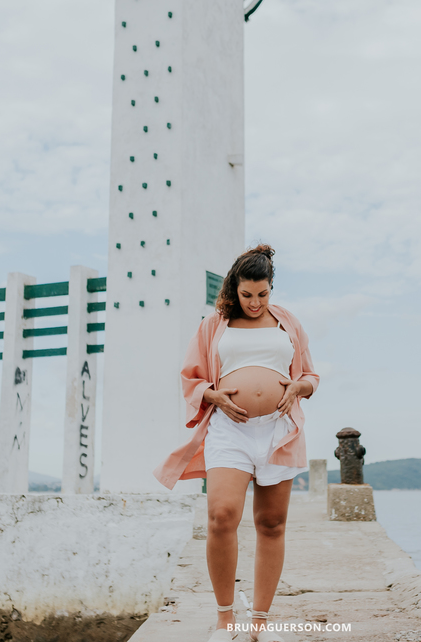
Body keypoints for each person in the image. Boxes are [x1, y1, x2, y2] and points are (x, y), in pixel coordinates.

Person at [153, 244, 319, 642]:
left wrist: (298, 386)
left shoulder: (288, 323)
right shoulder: (215, 325)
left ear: (271, 288)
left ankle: (259, 624)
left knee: (271, 523)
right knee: (221, 516)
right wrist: (214, 396)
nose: (256, 302)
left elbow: (311, 376)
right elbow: (191, 379)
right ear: (235, 287)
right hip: (230, 431)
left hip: (280, 431)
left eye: (263, 294)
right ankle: (225, 621)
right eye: (247, 294)